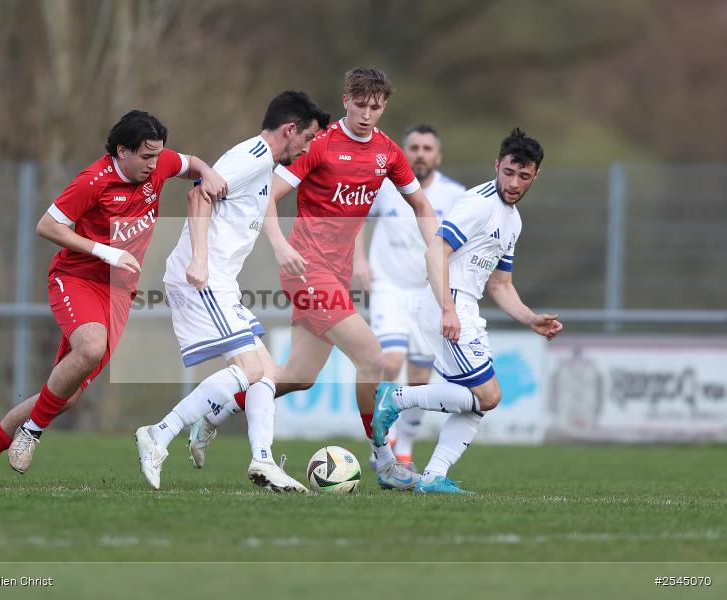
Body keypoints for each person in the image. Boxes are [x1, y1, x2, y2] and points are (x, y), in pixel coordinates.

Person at [189, 67, 439, 491]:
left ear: (384, 107)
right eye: (359, 104)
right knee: (374, 357)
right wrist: (280, 244)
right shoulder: (320, 145)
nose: (366, 114)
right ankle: (384, 460)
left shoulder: (388, 153)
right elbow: (268, 193)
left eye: (375, 107)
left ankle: (212, 413)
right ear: (346, 100)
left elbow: (422, 207)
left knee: (299, 376)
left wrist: (438, 258)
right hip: (307, 270)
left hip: (335, 277)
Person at [0, 110, 226, 487]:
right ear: (122, 151)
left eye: (157, 155)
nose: (154, 163)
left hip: (118, 291)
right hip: (77, 278)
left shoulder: (160, 162)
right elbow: (47, 226)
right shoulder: (93, 181)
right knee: (91, 347)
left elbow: (190, 163)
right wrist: (104, 252)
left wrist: (206, 171)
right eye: (146, 156)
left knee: (65, 397)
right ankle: (31, 431)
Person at [133, 91, 330, 493]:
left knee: (265, 376)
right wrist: (200, 260)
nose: (308, 147)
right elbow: (197, 194)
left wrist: (277, 244)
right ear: (290, 131)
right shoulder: (252, 157)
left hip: (221, 281)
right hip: (204, 279)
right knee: (251, 370)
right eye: (307, 139)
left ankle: (262, 460)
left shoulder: (263, 164)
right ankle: (159, 433)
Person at [371, 127, 563, 494]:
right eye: (509, 171)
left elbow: (500, 285)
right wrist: (448, 310)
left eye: (524, 176)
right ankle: (397, 398)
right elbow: (435, 251)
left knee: (477, 403)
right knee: (488, 395)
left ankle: (432, 477)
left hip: (466, 306)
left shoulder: (513, 220)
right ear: (497, 166)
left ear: (535, 175)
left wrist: (530, 318)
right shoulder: (478, 204)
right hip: (449, 302)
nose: (514, 182)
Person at [352, 124, 465, 471]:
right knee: (390, 360)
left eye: (427, 148)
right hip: (389, 286)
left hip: (428, 293)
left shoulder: (455, 195)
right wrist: (359, 260)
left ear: (438, 156)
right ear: (405, 152)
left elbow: (462, 245)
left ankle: (404, 450)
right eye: (413, 147)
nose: (420, 153)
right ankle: (380, 440)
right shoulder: (386, 187)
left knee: (420, 376)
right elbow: (354, 221)